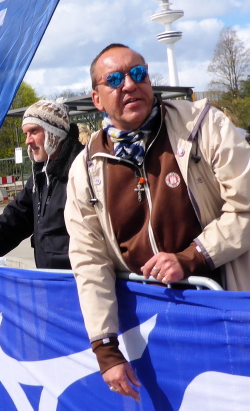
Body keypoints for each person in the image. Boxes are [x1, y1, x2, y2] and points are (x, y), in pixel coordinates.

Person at [65, 43, 250, 402]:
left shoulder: (203, 126)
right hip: (151, 333)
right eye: (114, 79)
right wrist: (105, 347)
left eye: (138, 73)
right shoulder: (85, 169)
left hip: (223, 315)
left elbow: (246, 207)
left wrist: (193, 256)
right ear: (97, 99)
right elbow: (89, 260)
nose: (129, 84)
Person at [0, 99, 83, 270]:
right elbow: (15, 218)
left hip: (79, 279)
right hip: (49, 278)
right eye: (25, 134)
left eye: (34, 131)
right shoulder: (40, 175)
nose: (27, 141)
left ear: (55, 131)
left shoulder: (83, 171)